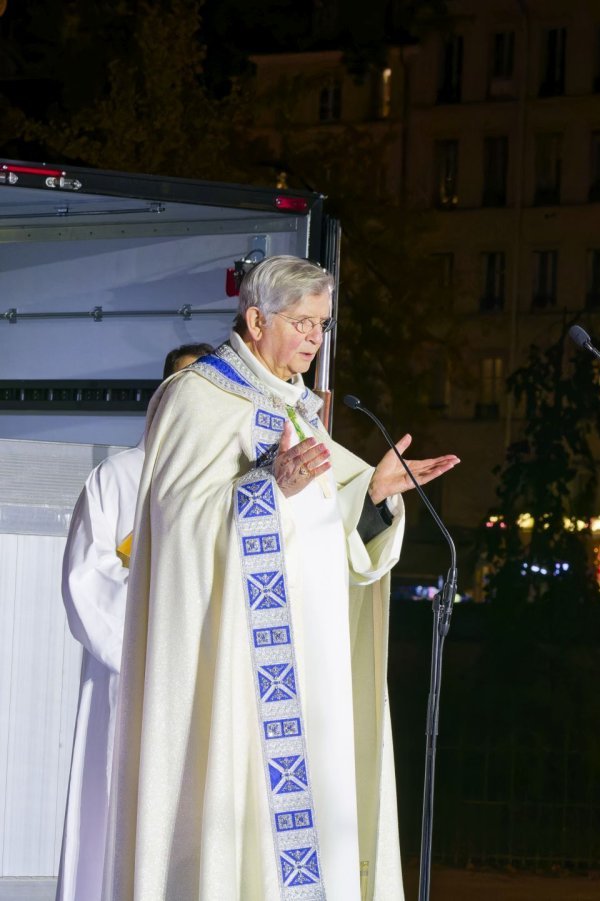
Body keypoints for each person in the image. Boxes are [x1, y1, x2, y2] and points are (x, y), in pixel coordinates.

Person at [104, 255, 459, 901]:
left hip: (308, 667)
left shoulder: (297, 409)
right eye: (301, 322)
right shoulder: (195, 398)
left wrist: (373, 493)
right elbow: (179, 527)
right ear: (256, 319)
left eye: (321, 326)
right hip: (238, 669)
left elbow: (327, 522)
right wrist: (268, 488)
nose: (313, 339)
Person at [56, 342, 213, 901]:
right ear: (161, 398)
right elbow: (85, 581)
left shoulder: (227, 490)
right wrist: (162, 632)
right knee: (117, 817)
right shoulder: (117, 478)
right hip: (130, 683)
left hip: (203, 686)